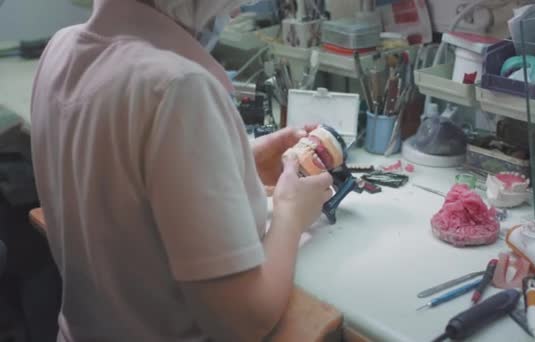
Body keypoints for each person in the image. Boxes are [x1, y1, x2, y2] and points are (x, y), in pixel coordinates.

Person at [30, 0, 333, 340]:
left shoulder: (61, 47)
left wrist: (232, 159)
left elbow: (115, 173)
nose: (234, 12)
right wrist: (291, 213)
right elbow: (244, 320)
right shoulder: (179, 85)